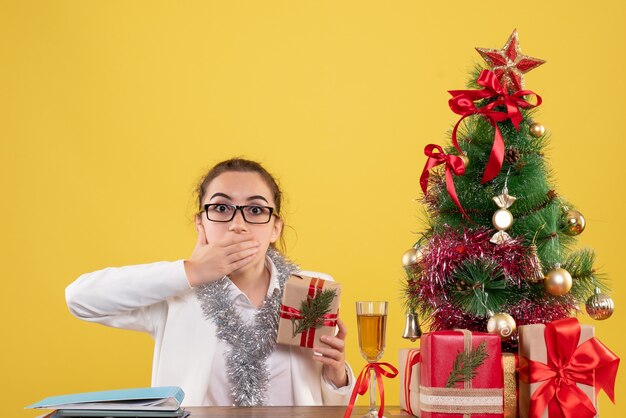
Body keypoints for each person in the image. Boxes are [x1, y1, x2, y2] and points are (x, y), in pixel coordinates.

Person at [65, 158, 355, 406]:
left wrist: (336, 375)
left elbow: (330, 405)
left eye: (255, 210)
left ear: (275, 227)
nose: (237, 225)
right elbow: (80, 298)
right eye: (221, 208)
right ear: (200, 223)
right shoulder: (176, 295)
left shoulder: (310, 291)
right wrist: (191, 272)